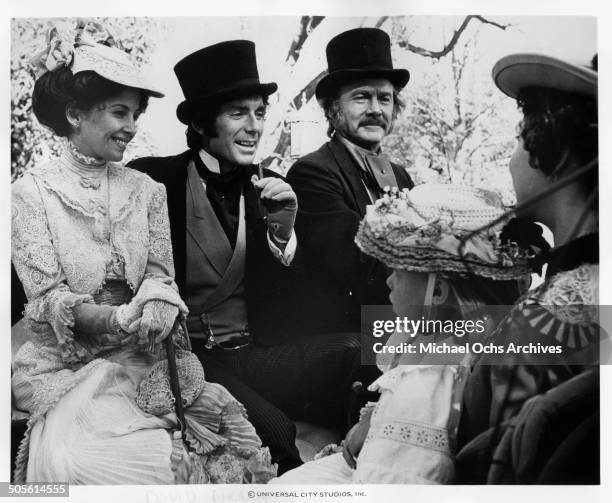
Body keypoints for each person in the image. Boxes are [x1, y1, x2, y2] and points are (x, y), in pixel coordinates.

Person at [11, 22, 275, 484]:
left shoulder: (147, 189)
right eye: (119, 113)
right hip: (71, 369)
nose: (132, 127)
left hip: (150, 360)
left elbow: (159, 274)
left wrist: (156, 298)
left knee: (226, 456)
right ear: (75, 114)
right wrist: (113, 320)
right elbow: (43, 303)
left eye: (135, 114)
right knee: (95, 463)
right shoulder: (28, 195)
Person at [128, 40, 364, 474]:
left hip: (256, 353)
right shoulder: (152, 180)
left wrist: (285, 234)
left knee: (359, 349)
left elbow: (301, 301)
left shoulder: (272, 186)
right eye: (239, 113)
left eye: (259, 112)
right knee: (273, 434)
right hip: (192, 359)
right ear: (202, 122)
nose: (254, 126)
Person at [272, 183, 529, 484]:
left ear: (438, 292)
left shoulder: (427, 379)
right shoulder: (442, 344)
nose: (389, 282)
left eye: (398, 272)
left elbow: (396, 480)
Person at [455, 53, 599, 483]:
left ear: (554, 147)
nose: (511, 159)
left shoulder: (546, 316)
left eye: (519, 137)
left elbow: (484, 462)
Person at [287, 28, 414, 336]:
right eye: (361, 97)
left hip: (401, 324)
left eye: (384, 98)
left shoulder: (399, 174)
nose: (375, 109)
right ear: (333, 109)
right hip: (350, 336)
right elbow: (349, 263)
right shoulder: (311, 173)